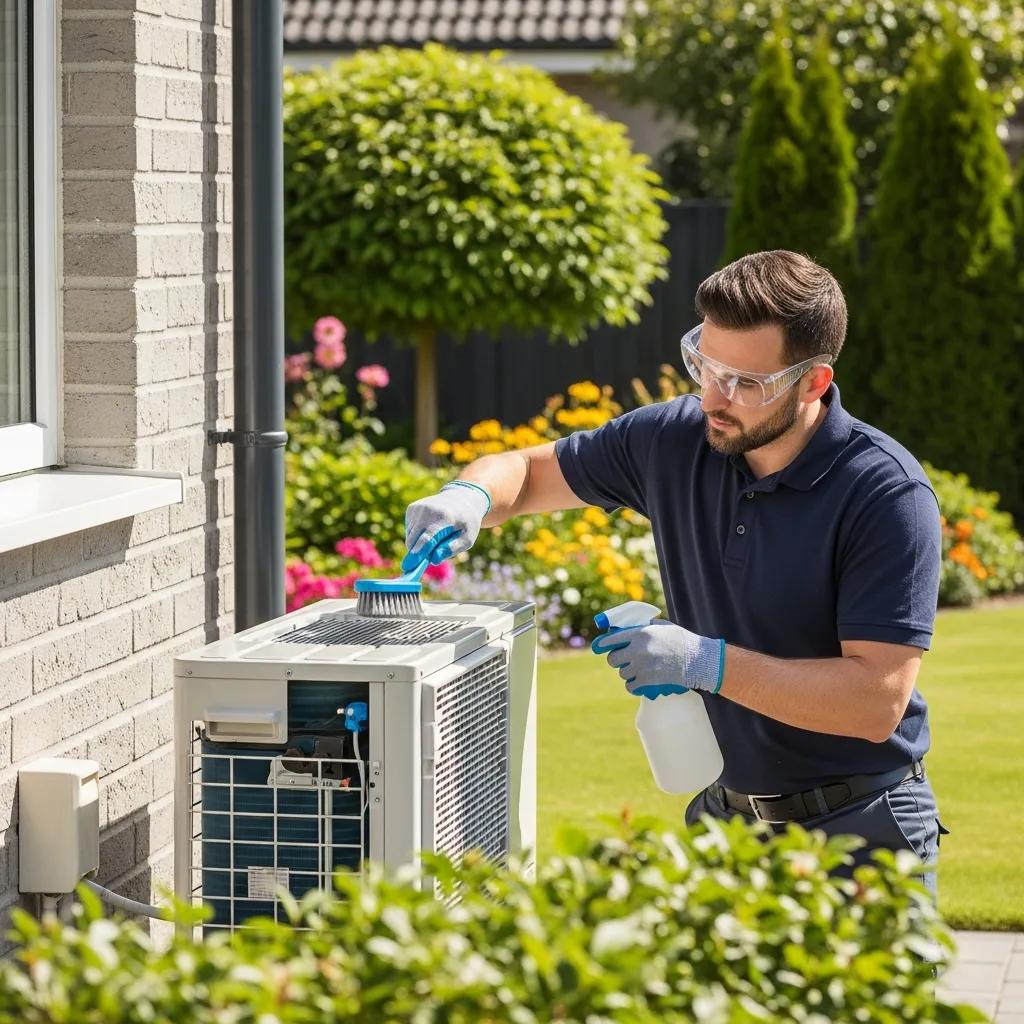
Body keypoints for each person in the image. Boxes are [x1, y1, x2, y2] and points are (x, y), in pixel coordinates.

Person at [404, 250, 948, 895]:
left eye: (747, 383)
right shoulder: (674, 440)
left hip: (860, 839)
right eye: (706, 366)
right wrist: (470, 497)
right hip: (725, 830)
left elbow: (874, 703)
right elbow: (525, 473)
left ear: (813, 382)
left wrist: (705, 662)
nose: (715, 398)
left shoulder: (884, 494)